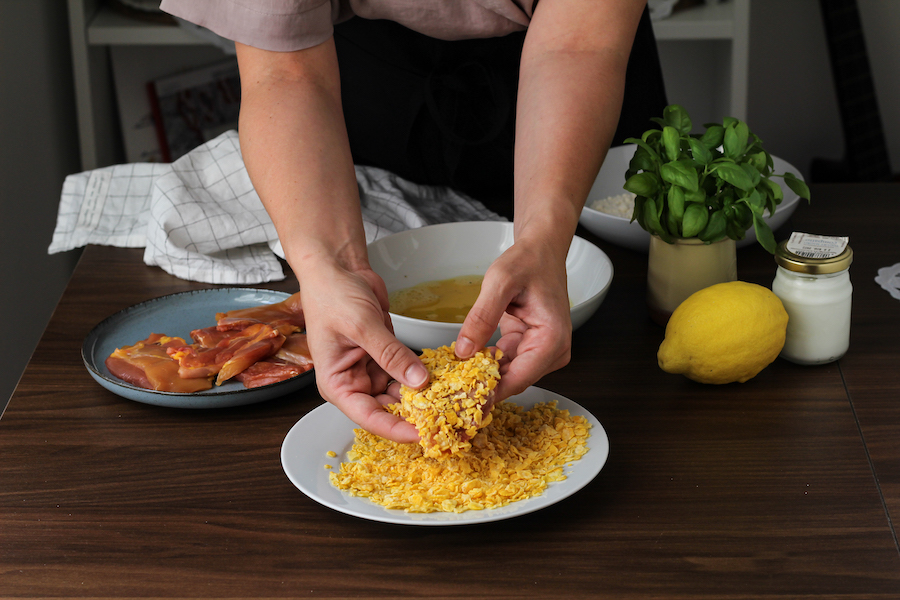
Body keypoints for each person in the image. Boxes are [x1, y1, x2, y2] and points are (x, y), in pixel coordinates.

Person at [159, 0, 667, 443]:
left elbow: (577, 46)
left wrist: (544, 240)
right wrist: (330, 271)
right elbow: (286, 73)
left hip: (578, 76)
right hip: (365, 73)